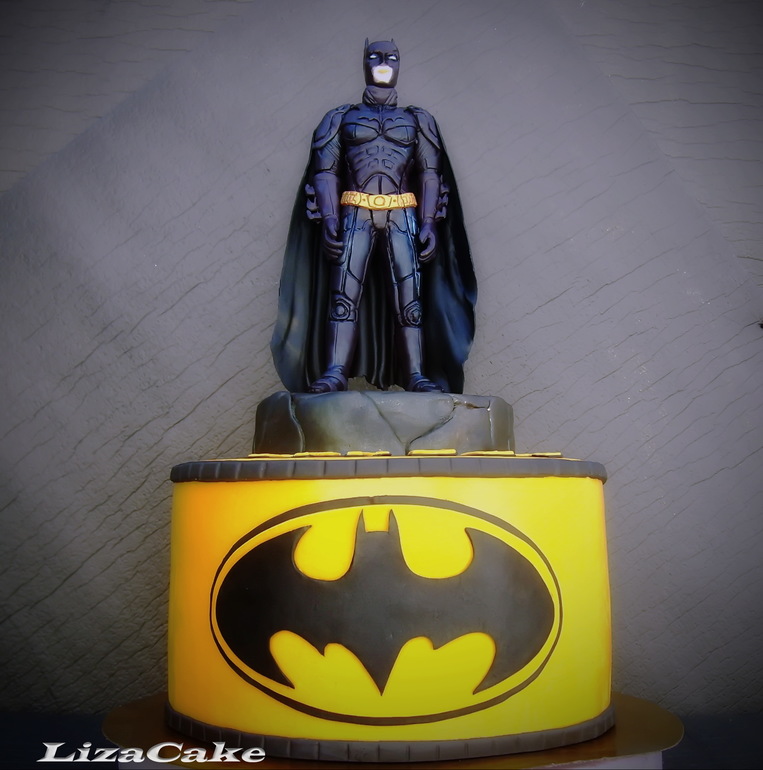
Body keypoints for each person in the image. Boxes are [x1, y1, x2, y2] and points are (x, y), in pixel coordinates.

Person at [271, 40, 476, 394]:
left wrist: (429, 221)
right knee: (343, 295)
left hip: (403, 212)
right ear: (364, 63)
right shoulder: (340, 118)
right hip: (355, 210)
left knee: (410, 299)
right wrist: (330, 218)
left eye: (391, 57)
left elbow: (430, 173)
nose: (383, 62)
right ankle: (335, 371)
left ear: (399, 64)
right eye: (375, 56)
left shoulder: (417, 120)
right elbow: (325, 171)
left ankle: (415, 374)